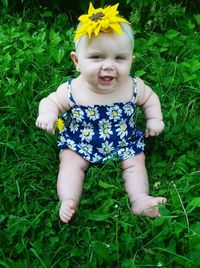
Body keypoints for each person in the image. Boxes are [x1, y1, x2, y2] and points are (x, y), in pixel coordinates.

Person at [36, 3, 167, 223]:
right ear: (76, 61)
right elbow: (51, 102)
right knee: (69, 163)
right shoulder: (72, 90)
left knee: (136, 162)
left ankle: (140, 199)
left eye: (119, 58)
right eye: (97, 57)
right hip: (80, 141)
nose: (108, 66)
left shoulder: (133, 86)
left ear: (131, 61)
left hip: (123, 141)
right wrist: (48, 115)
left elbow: (150, 98)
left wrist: (155, 118)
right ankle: (68, 199)